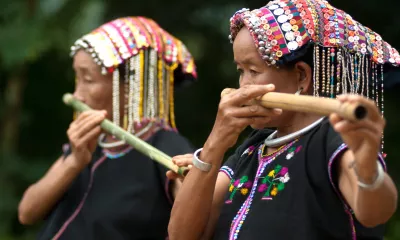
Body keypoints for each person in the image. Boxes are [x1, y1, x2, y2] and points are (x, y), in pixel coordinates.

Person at [167, 1, 399, 239]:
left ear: (301, 76)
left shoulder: (334, 136)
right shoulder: (253, 148)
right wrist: (214, 146)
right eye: (240, 71)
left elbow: (374, 213)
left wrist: (368, 167)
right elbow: (182, 235)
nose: (243, 85)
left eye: (253, 71)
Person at [18, 16, 197, 240]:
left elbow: (193, 227)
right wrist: (73, 162)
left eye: (88, 80)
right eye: (77, 78)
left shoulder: (167, 146)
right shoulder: (90, 141)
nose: (77, 94)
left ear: (133, 85)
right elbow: (27, 213)